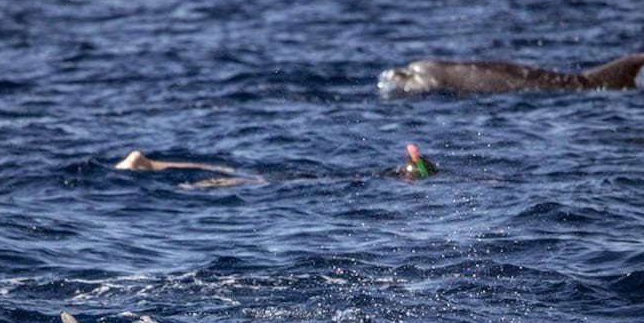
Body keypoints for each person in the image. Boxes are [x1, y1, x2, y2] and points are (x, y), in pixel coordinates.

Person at [115, 144, 437, 187]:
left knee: (238, 176)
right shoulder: (386, 178)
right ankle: (192, 184)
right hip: (300, 178)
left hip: (304, 174)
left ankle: (151, 164)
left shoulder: (385, 175)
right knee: (246, 181)